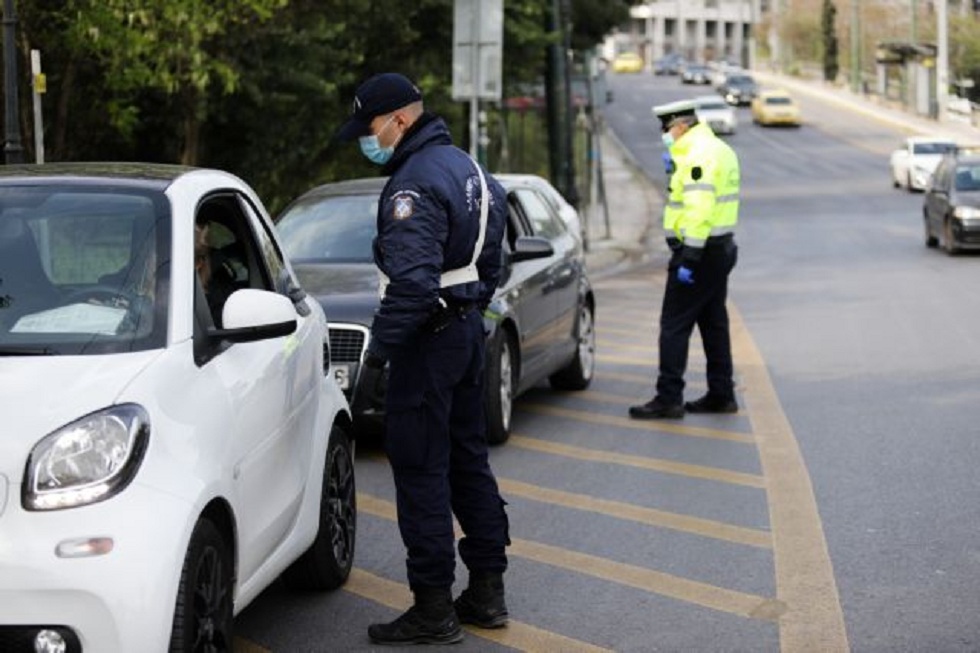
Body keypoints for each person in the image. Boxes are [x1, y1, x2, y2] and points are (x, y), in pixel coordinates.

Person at [335, 72, 511, 645]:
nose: (369, 138)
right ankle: (487, 591)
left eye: (370, 128)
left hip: (427, 343)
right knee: (469, 462)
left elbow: (411, 284)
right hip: (464, 334)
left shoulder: (412, 185)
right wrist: (468, 311)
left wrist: (381, 353)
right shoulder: (472, 171)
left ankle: (433, 607)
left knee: (420, 472)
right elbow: (494, 265)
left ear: (399, 121)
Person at [629, 99, 740, 420]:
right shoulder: (717, 149)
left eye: (667, 129)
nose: (665, 135)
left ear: (681, 126)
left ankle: (669, 398)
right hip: (720, 248)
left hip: (700, 252)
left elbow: (700, 209)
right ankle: (722, 394)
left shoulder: (697, 156)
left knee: (673, 326)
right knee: (713, 323)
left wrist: (689, 257)